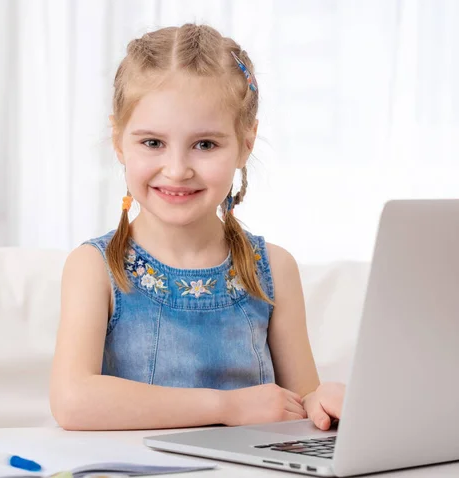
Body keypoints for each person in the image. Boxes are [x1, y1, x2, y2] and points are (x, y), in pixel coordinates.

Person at [50, 23, 345, 431]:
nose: (176, 170)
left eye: (205, 144)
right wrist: (226, 408)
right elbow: (73, 402)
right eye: (152, 143)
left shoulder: (274, 268)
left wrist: (321, 402)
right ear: (118, 141)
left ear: (246, 142)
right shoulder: (94, 267)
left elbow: (301, 405)